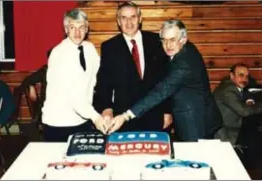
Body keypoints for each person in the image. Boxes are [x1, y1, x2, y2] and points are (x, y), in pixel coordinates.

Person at [109, 19, 223, 141]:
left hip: (195, 122)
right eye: (164, 40)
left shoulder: (185, 64)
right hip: (192, 114)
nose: (168, 45)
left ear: (183, 39)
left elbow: (161, 92)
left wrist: (126, 116)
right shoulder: (183, 48)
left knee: (194, 158)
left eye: (173, 40)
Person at [93, 2, 172, 132]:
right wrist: (106, 109)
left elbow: (166, 79)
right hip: (123, 119)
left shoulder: (156, 41)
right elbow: (104, 83)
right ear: (118, 21)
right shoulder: (109, 47)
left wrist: (168, 111)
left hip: (156, 115)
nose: (129, 22)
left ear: (140, 19)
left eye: (133, 17)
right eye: (124, 18)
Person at [41, 8, 108, 142]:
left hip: (83, 119)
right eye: (72, 27)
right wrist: (96, 117)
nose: (77, 32)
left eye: (81, 27)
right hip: (59, 123)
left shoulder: (89, 48)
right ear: (66, 29)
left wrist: (107, 107)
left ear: (87, 29)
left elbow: (101, 77)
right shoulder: (58, 54)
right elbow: (73, 95)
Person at [213, 63, 262, 145]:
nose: (244, 79)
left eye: (247, 76)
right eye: (241, 75)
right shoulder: (228, 90)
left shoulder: (233, 87)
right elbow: (244, 112)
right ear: (232, 76)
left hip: (233, 130)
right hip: (226, 135)